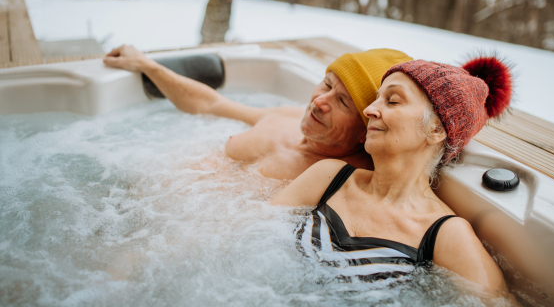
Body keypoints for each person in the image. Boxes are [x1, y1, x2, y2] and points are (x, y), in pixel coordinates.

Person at [271, 56, 514, 297]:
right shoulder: (329, 177)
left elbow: (498, 302)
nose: (369, 110)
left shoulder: (445, 234)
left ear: (436, 129)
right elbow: (253, 228)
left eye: (393, 101)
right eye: (377, 98)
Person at [103, 45, 413, 179]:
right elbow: (210, 104)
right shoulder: (288, 117)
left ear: (366, 128)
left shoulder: (351, 177)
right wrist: (146, 64)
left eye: (343, 102)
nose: (320, 101)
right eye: (326, 84)